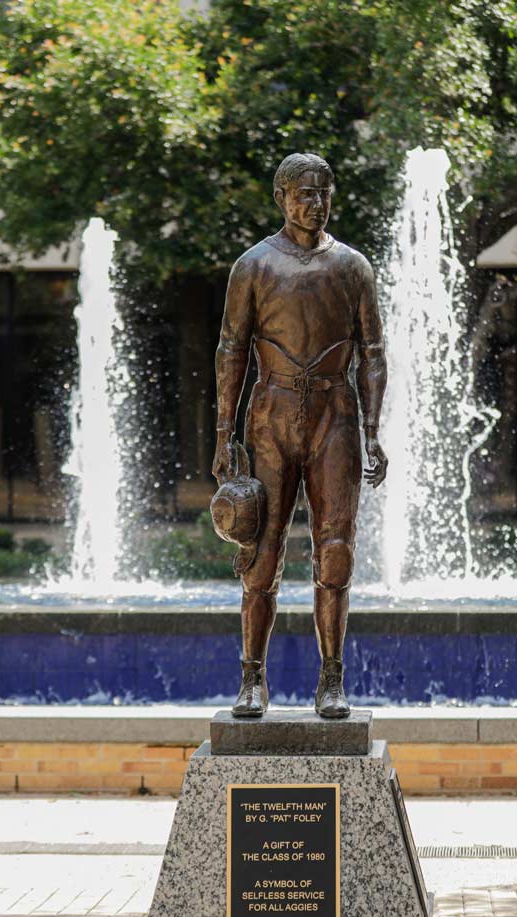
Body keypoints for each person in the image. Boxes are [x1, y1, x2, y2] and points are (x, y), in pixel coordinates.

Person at [212, 152, 388, 720]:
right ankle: (252, 678)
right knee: (260, 555)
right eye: (303, 194)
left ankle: (331, 678)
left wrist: (373, 429)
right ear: (282, 198)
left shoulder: (352, 267)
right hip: (270, 417)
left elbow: (373, 354)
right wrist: (223, 433)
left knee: (335, 553)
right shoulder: (254, 266)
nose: (315, 204)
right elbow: (230, 351)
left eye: (323, 192)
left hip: (335, 415)